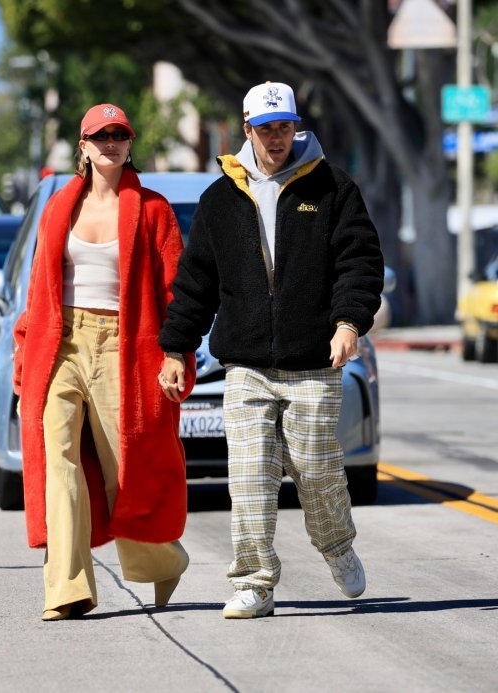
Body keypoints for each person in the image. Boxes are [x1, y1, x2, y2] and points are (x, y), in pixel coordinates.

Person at [158, 82, 384, 619]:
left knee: (315, 468)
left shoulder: (333, 188)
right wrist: (175, 349)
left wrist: (349, 322)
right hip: (246, 365)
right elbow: (195, 284)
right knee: (251, 476)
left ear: (295, 126)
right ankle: (254, 582)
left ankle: (336, 546)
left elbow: (360, 261)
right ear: (247, 128)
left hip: (313, 361)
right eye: (266, 128)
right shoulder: (220, 199)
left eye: (284, 127)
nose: (277, 138)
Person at [13, 103, 196, 621]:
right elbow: (38, 292)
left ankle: (162, 560)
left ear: (129, 142)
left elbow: (176, 291)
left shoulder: (154, 210)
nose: (110, 142)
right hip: (62, 344)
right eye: (100, 135)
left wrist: (175, 351)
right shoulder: (59, 210)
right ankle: (66, 590)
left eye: (119, 134)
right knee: (59, 461)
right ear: (83, 145)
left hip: (124, 343)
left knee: (125, 464)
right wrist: (26, 356)